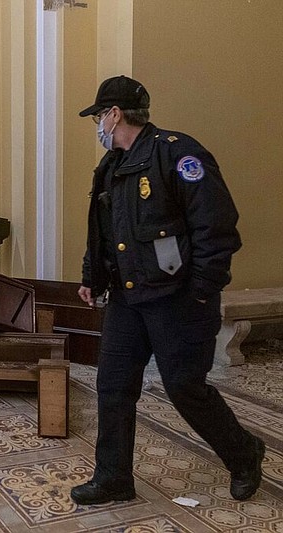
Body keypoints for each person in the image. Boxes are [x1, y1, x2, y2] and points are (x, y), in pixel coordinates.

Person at [71, 75, 265, 505]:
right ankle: (113, 478)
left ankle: (244, 452)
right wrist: (92, 277)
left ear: (115, 114)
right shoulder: (112, 167)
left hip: (178, 301)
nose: (98, 126)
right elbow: (102, 231)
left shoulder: (179, 154)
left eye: (98, 117)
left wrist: (200, 292)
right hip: (128, 299)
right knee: (114, 384)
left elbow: (216, 231)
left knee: (184, 388)